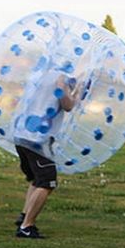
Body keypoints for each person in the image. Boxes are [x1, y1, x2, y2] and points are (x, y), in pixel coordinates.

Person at [13, 73, 84, 238]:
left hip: (22, 134)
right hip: (37, 139)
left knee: (36, 179)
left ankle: (24, 215)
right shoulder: (61, 76)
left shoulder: (40, 72)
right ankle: (26, 226)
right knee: (47, 182)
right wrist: (78, 92)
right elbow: (67, 104)